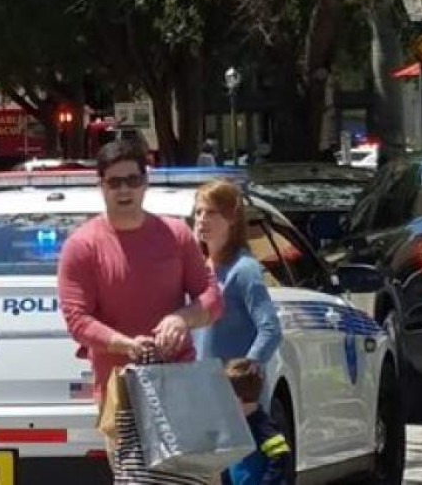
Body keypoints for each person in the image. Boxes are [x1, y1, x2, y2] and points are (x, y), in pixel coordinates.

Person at [57, 142, 223, 459]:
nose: (124, 190)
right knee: (135, 478)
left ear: (145, 183)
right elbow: (78, 322)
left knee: (192, 478)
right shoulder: (82, 246)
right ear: (101, 186)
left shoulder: (176, 235)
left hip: (178, 381)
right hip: (120, 391)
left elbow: (212, 299)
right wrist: (126, 345)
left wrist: (181, 319)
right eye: (115, 182)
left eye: (133, 180)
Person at [193, 180, 282, 376]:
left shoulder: (243, 269)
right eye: (198, 212)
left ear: (232, 218)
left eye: (211, 212)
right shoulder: (195, 267)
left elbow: (270, 329)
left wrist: (245, 369)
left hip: (233, 396)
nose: (202, 219)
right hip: (197, 386)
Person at [222, 358, 291, 485]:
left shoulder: (262, 426)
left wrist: (268, 481)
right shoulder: (238, 426)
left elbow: (281, 454)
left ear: (237, 399)